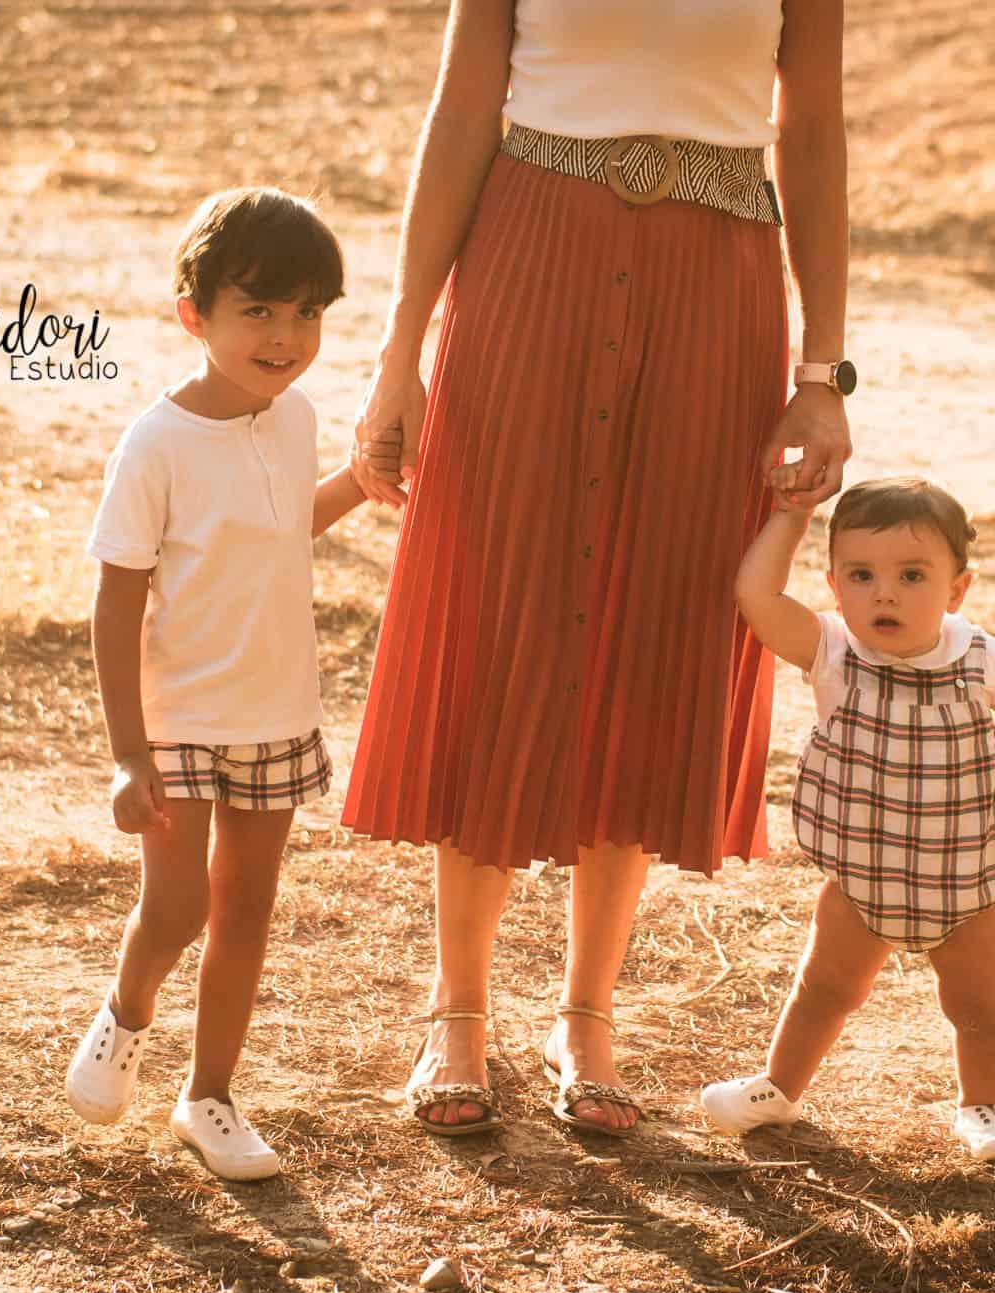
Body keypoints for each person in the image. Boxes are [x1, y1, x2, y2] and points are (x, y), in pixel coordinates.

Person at [341, 0, 854, 1137]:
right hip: (530, 259)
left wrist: (823, 368)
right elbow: (464, 110)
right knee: (499, 611)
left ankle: (586, 1015)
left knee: (659, 624)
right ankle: (457, 1012)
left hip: (715, 285)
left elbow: (811, 137)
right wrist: (399, 349)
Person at [64, 187, 383, 1181]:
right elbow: (115, 602)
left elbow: (284, 529)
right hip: (180, 719)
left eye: (307, 314)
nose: (284, 337)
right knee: (176, 908)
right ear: (194, 314)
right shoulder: (155, 445)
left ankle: (209, 1096)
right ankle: (125, 1015)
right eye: (258, 311)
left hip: (276, 710)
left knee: (245, 909)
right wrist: (126, 754)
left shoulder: (295, 420)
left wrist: (359, 484)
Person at [700, 478, 995, 1161]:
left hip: (967, 872)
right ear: (835, 584)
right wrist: (793, 511)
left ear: (956, 590)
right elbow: (756, 596)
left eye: (911, 575)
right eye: (861, 574)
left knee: (982, 1007)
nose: (884, 593)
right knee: (823, 988)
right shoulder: (833, 649)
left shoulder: (976, 652)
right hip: (865, 869)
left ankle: (983, 1107)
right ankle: (778, 1088)